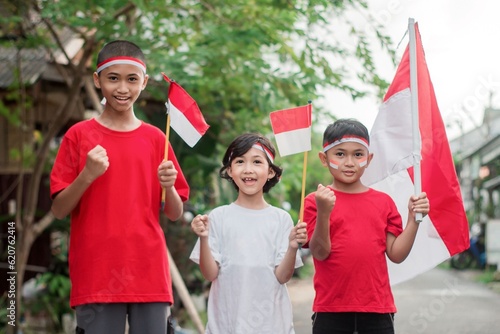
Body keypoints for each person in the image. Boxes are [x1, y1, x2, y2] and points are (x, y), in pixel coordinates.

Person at [50, 40, 189, 334]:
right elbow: (59, 209)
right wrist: (87, 175)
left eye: (132, 79)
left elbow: (175, 213)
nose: (122, 88)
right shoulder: (78, 136)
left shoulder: (156, 139)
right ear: (97, 80)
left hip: (148, 270)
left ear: (144, 82)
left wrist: (170, 187)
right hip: (96, 273)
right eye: (113, 78)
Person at [303, 119, 430, 334]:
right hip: (330, 309)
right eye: (340, 154)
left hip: (377, 310)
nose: (349, 162)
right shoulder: (315, 201)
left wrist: (413, 220)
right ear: (324, 159)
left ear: (369, 159)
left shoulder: (384, 202)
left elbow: (396, 254)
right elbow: (319, 253)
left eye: (358, 154)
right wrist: (324, 212)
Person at [189, 133, 308, 333]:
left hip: (272, 326)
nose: (248, 169)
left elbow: (283, 276)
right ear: (230, 170)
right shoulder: (218, 217)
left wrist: (292, 247)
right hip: (226, 326)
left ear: (270, 172)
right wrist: (203, 238)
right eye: (240, 161)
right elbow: (210, 274)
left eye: (257, 162)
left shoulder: (281, 219)